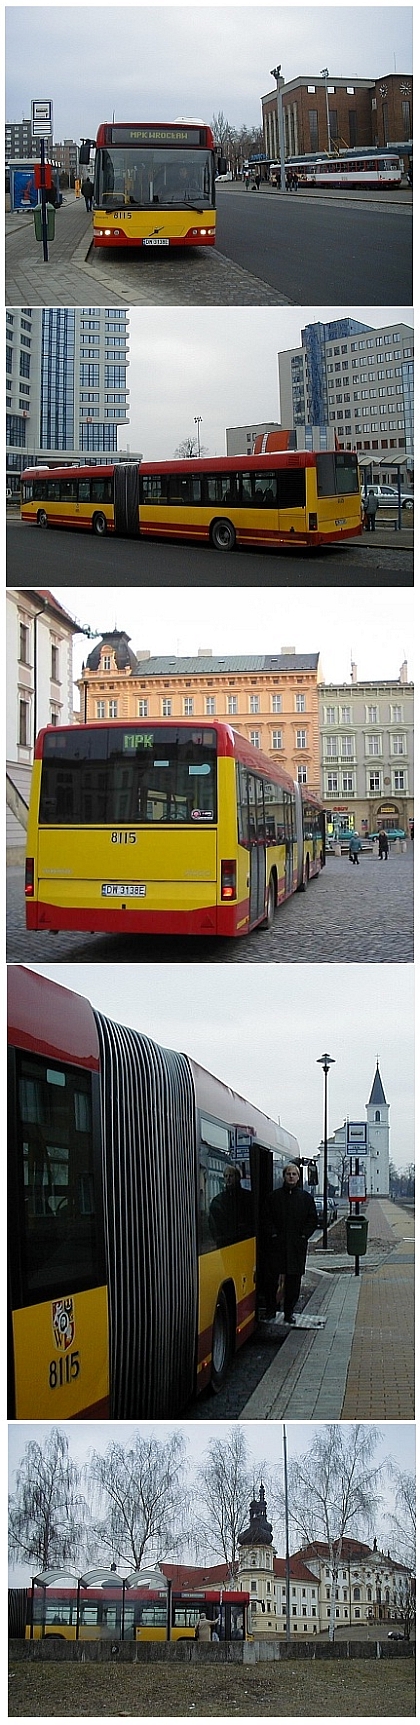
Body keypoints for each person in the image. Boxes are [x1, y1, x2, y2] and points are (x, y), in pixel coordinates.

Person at [261, 1163, 318, 1323]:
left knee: (294, 1281)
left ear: (299, 1177)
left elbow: (312, 1220)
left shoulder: (306, 1198)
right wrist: (272, 1234)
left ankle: (289, 1312)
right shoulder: (273, 1197)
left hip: (296, 1247)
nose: (291, 1177)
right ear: (284, 1176)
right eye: (288, 1174)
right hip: (276, 1246)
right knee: (271, 1280)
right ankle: (271, 1310)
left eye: (294, 1174)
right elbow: (266, 1218)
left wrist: (303, 1236)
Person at [209, 1164, 253, 1248]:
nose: (228, 1178)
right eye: (226, 1176)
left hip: (244, 1241)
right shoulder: (218, 1200)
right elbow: (213, 1224)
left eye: (231, 1176)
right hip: (225, 1243)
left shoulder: (248, 1197)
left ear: (237, 1177)